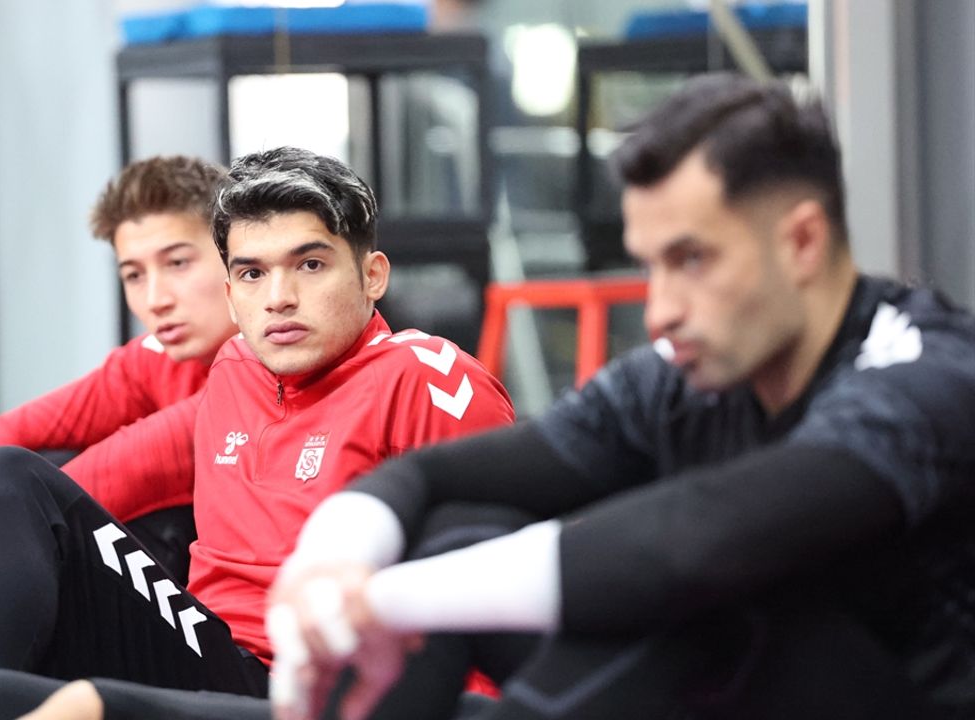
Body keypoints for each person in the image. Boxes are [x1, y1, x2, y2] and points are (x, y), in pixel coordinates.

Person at [0, 146, 515, 719]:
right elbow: (80, 466)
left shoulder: (424, 379)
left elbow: (492, 591)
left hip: (303, 692)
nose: (279, 298)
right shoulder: (235, 372)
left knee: (12, 512)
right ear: (234, 293)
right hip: (200, 654)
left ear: (371, 274)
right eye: (253, 273)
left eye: (309, 265)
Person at [265, 73, 975, 720]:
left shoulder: (925, 375)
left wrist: (379, 602)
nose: (661, 312)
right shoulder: (683, 378)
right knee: (454, 532)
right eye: (651, 266)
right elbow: (432, 477)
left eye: (691, 260)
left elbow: (698, 541)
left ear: (802, 243)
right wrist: (327, 568)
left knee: (707, 605)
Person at [0, 155, 239, 679]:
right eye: (134, 275)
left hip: (241, 650)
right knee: (38, 464)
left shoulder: (265, 363)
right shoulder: (153, 358)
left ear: (233, 254)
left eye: (178, 263)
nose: (156, 299)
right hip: (174, 617)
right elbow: (9, 433)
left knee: (90, 513)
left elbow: (131, 465)